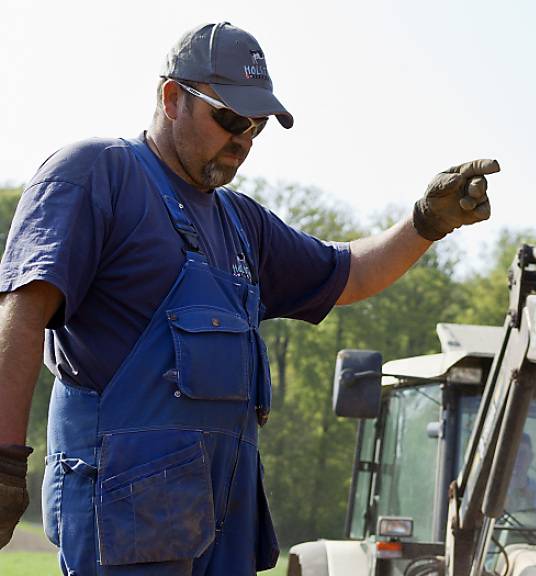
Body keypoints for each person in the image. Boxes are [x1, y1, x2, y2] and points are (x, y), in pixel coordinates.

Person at [0, 22, 499, 575]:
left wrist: (426, 223)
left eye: (256, 126)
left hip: (221, 526)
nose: (243, 138)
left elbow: (348, 273)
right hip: (125, 526)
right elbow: (22, 314)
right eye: (231, 119)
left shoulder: (242, 224)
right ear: (171, 98)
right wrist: (3, 461)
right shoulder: (97, 175)